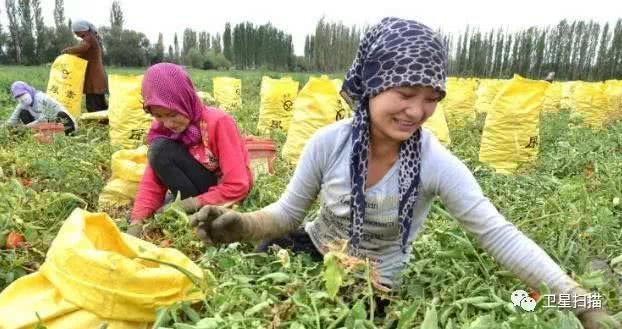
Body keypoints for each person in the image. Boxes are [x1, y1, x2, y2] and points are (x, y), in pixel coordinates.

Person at [187, 18, 620, 328]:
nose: (418, 111)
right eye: (406, 93)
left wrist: (583, 303)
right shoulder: (327, 144)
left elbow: (499, 234)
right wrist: (243, 226)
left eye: (431, 98)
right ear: (373, 84)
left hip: (374, 279)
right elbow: (287, 214)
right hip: (313, 247)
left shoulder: (435, 163)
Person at [127, 63, 253, 236]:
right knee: (159, 152)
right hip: (198, 189)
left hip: (225, 192)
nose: (168, 123)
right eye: (159, 116)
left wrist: (193, 203)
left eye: (173, 114)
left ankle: (194, 210)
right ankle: (188, 209)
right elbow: (153, 179)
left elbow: (238, 185)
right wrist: (137, 220)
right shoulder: (164, 128)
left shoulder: (218, 122)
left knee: (160, 150)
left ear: (186, 100)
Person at [62, 19, 108, 112]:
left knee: (93, 102)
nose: (75, 34)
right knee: (99, 100)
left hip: (93, 75)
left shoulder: (89, 38)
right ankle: (103, 119)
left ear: (82, 29)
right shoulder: (93, 37)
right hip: (97, 74)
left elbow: (81, 48)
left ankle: (96, 120)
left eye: (76, 32)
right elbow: (83, 54)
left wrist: (67, 50)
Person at [4, 81, 77, 134]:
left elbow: (43, 120)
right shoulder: (22, 104)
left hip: (64, 123)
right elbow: (12, 121)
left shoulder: (41, 98)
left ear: (28, 91)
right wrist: (2, 129)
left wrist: (24, 128)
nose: (22, 98)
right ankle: (38, 133)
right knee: (23, 113)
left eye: (22, 94)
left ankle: (68, 135)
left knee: (61, 116)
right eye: (18, 97)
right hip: (48, 125)